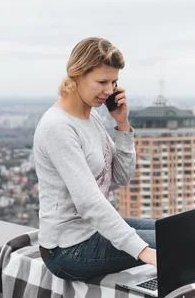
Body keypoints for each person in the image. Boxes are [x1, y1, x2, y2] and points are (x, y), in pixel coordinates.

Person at [33, 37, 156, 281]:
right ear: (76, 75)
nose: (110, 91)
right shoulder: (58, 127)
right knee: (177, 243)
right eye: (102, 81)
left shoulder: (91, 118)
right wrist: (144, 252)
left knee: (171, 229)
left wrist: (121, 124)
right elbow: (89, 202)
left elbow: (121, 176)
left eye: (114, 82)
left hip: (91, 230)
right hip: (68, 249)